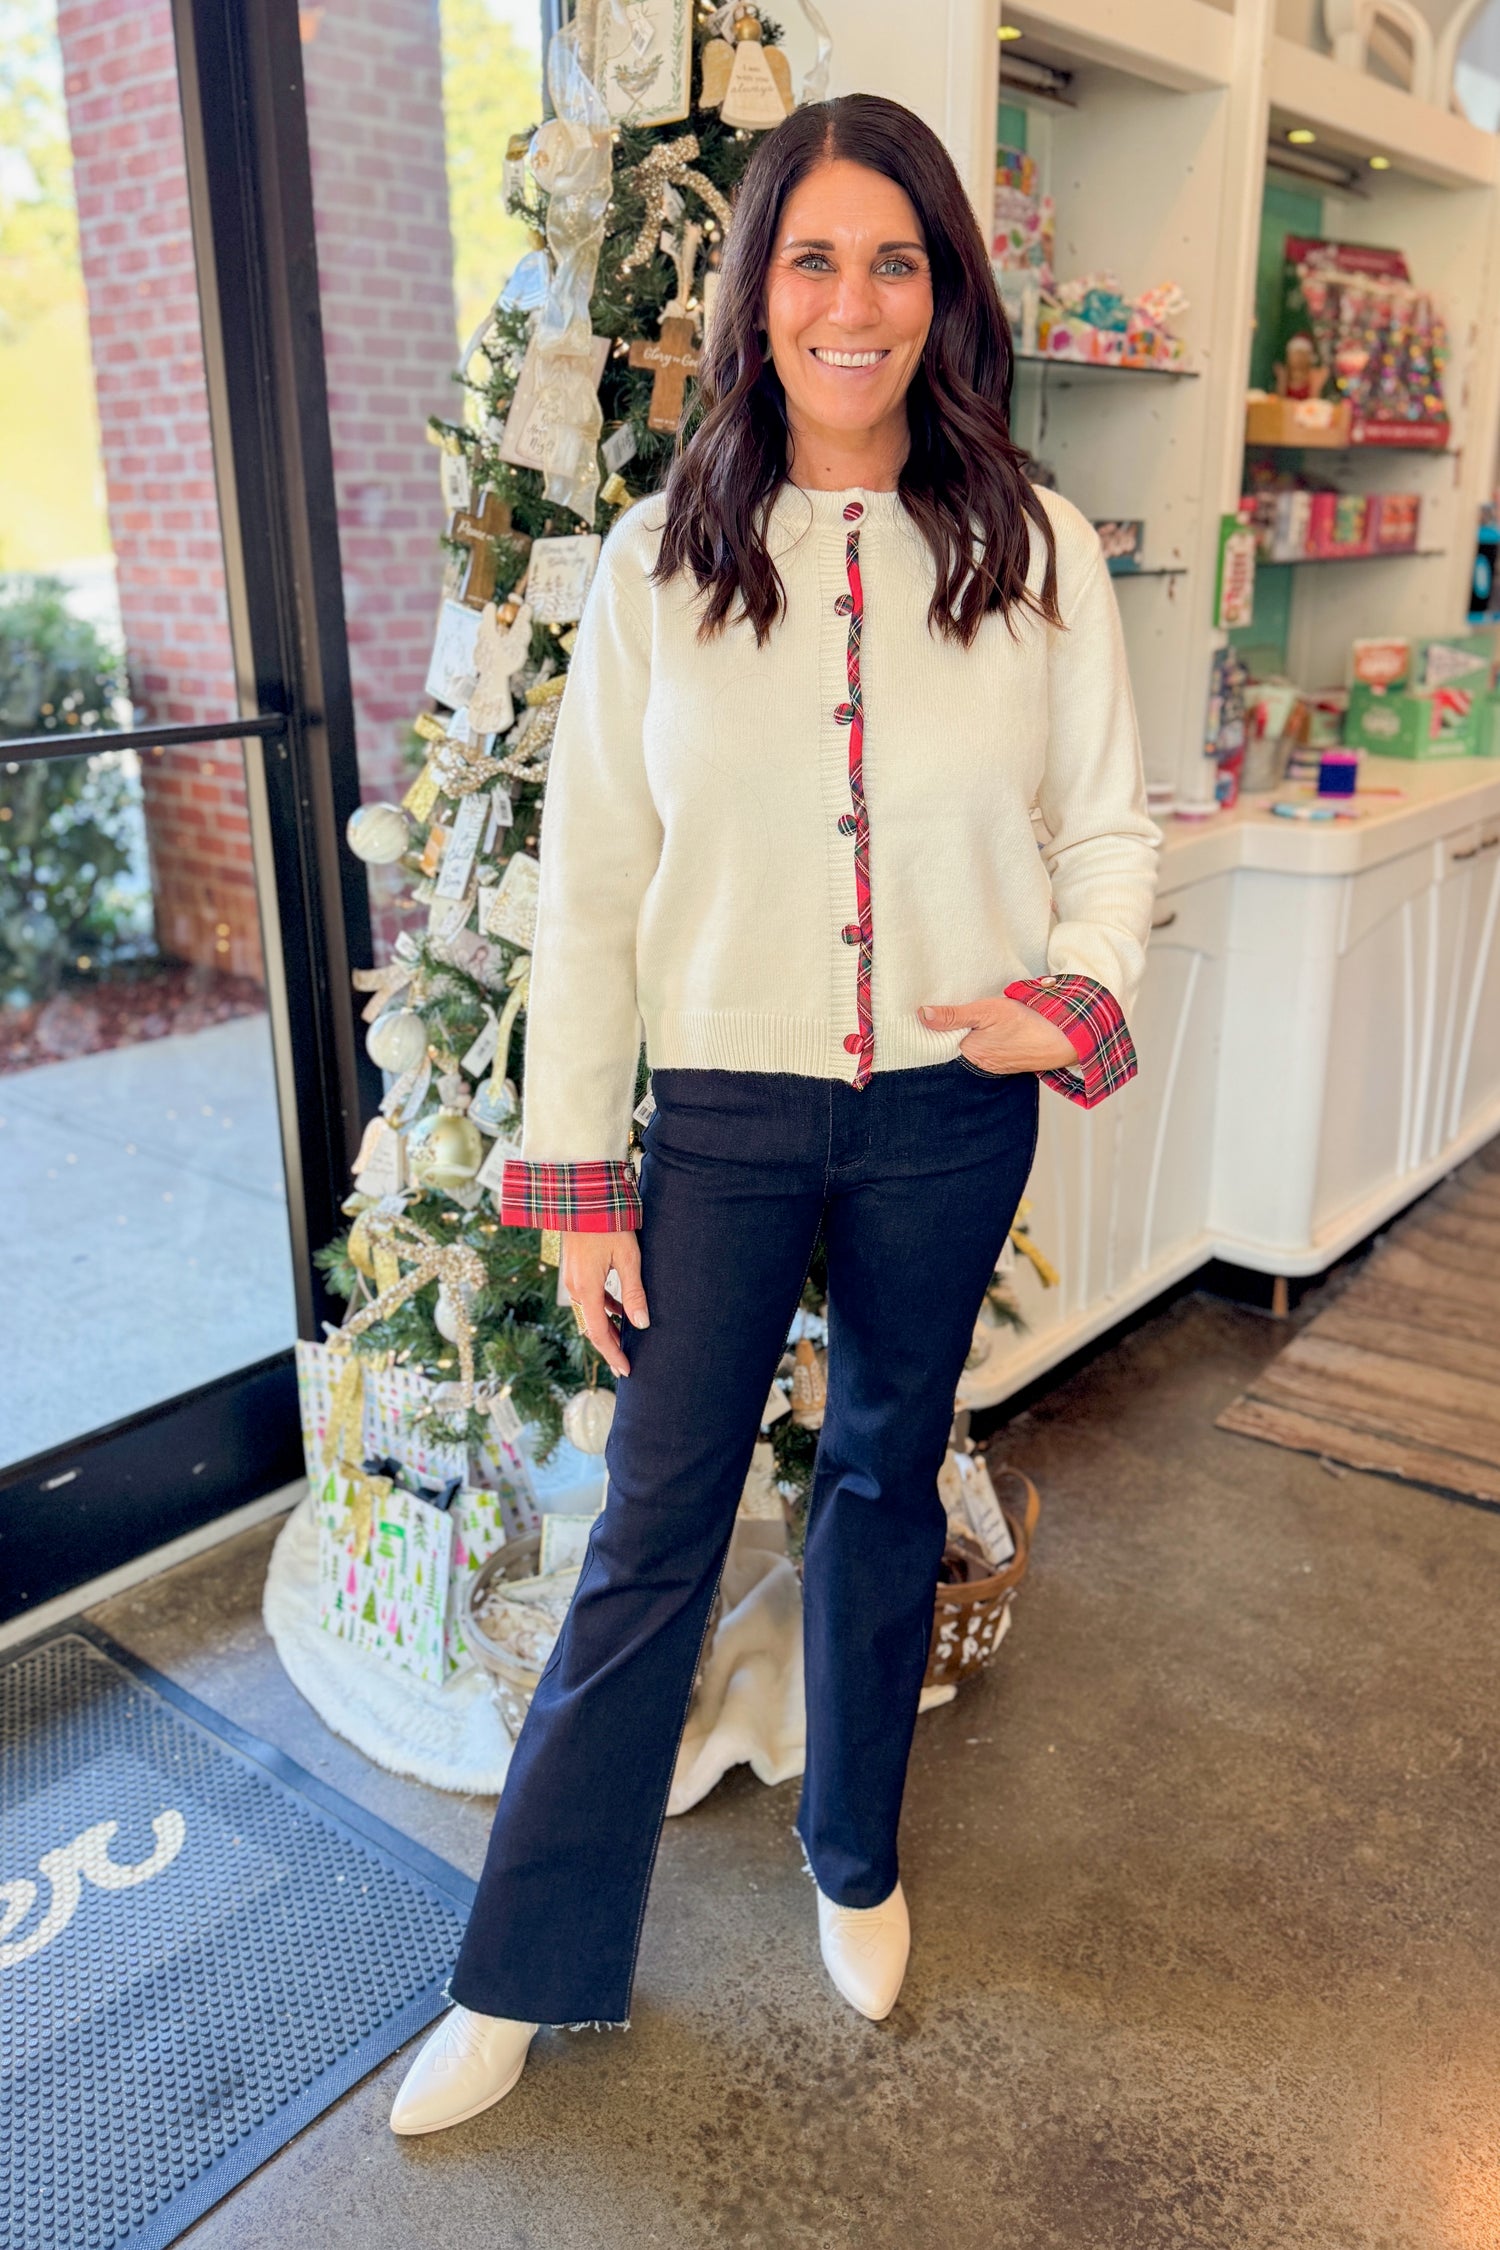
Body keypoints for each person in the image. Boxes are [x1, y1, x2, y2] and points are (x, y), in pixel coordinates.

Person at [390, 90, 1159, 2136]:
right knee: (652, 1530)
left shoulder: (1037, 548)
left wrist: (1065, 1002)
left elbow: (1108, 832)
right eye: (813, 258)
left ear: (943, 290)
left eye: (894, 259)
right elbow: (590, 889)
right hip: (718, 1117)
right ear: (756, 294)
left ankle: (856, 1855)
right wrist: (575, 1183)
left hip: (945, 1110)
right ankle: (518, 1966)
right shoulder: (660, 556)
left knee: (888, 1485)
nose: (855, 300)